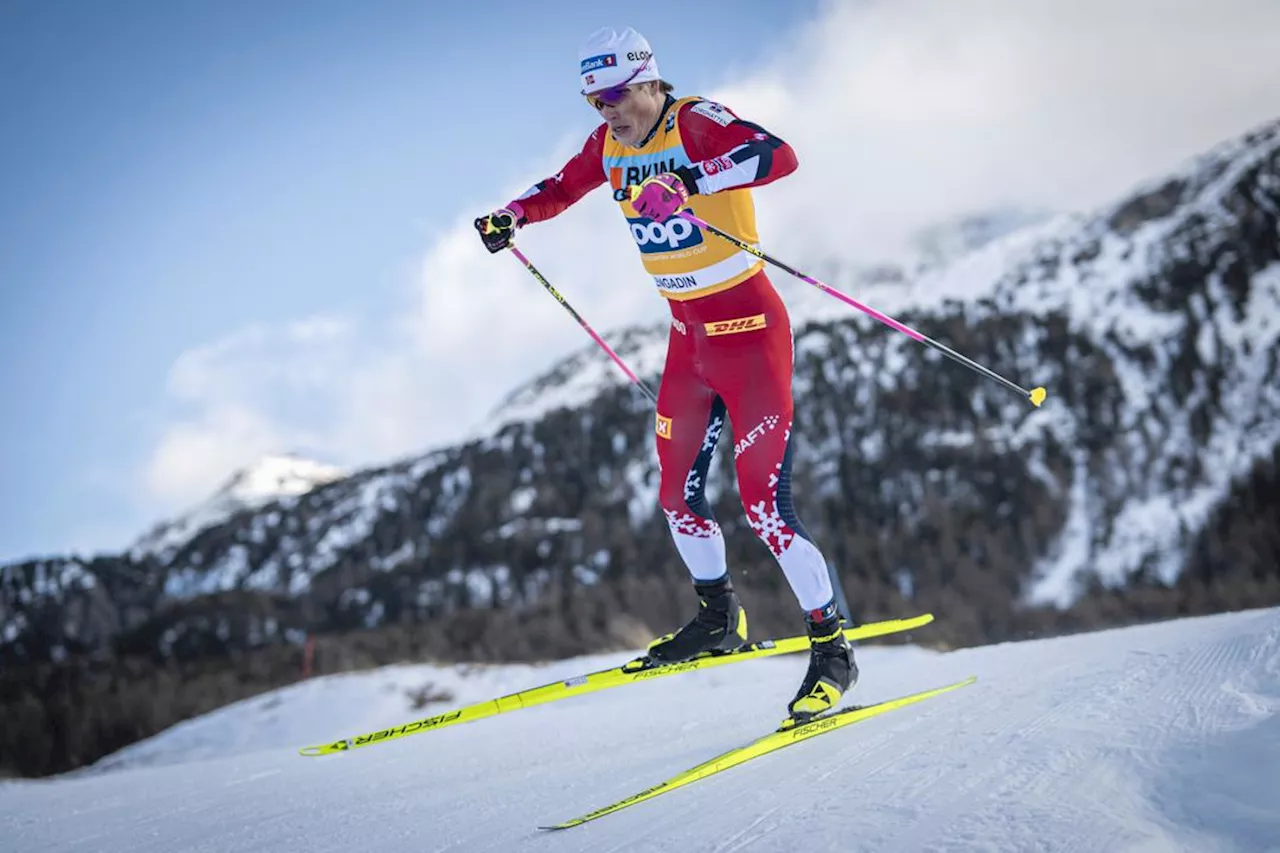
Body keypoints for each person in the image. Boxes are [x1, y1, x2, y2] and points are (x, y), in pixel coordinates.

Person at [474, 26, 856, 725]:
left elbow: (780, 155)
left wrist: (689, 179)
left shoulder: (698, 121)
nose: (608, 111)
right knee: (676, 496)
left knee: (766, 508)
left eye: (617, 95)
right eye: (595, 101)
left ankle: (833, 651)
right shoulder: (609, 146)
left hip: (750, 336)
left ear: (651, 81)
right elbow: (562, 186)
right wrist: (513, 215)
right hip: (689, 341)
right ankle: (718, 622)